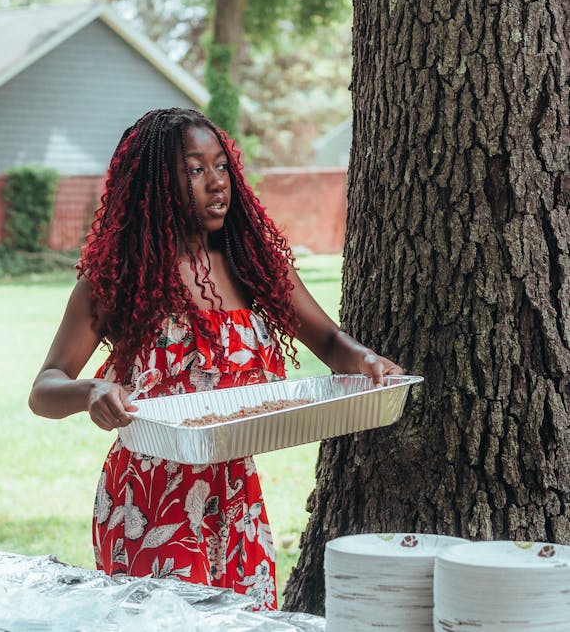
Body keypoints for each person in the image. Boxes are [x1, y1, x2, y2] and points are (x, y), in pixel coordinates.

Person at [29, 108, 402, 610]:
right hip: (148, 499)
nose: (216, 183)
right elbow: (44, 390)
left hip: (235, 494)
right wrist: (91, 391)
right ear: (156, 183)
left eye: (222, 167)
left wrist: (366, 361)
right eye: (195, 170)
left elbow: (331, 343)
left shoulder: (252, 265)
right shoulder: (116, 279)